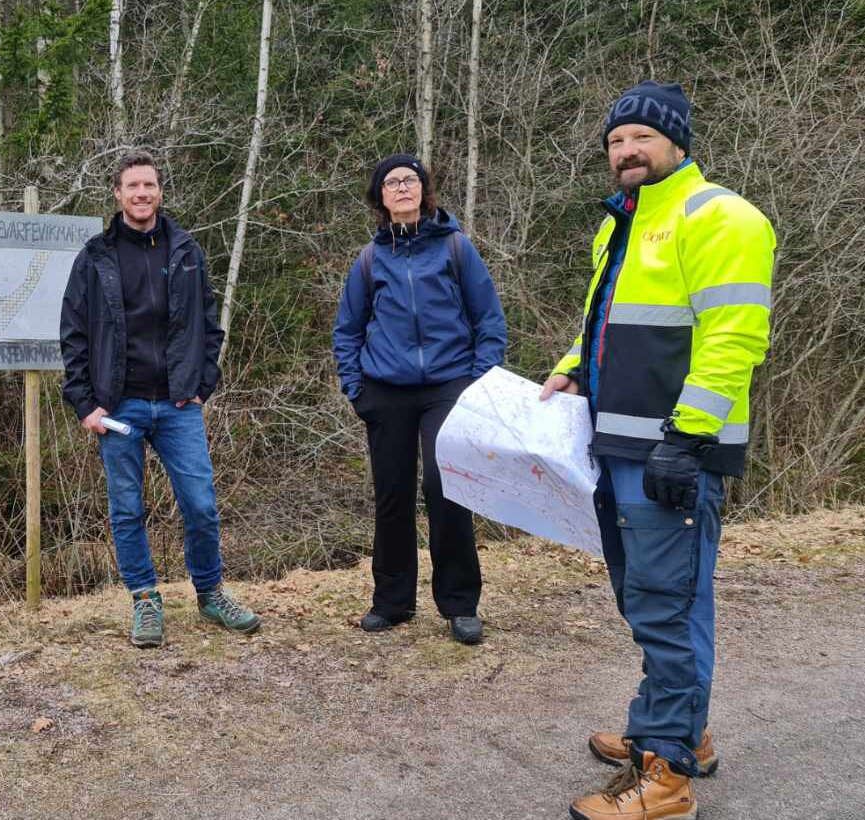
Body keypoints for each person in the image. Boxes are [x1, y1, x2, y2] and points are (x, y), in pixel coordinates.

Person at [539, 82, 774, 820]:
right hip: (618, 445)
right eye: (615, 140)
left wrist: (686, 437)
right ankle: (679, 727)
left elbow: (735, 339)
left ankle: (666, 775)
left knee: (666, 606)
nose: (626, 150)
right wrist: (573, 365)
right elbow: (609, 320)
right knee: (651, 598)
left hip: (672, 452)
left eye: (641, 136)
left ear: (677, 143)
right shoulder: (622, 222)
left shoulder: (720, 216)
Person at [59, 150, 261, 648]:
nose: (141, 193)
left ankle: (210, 594)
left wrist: (202, 384)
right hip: (119, 406)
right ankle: (145, 600)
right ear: (117, 194)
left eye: (149, 185)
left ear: (160, 191)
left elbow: (209, 325)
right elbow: (74, 333)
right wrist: (85, 404)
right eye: (132, 186)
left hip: (177, 404)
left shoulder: (186, 250)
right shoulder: (95, 256)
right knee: (127, 509)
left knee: (201, 505)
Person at [332, 153, 506, 645]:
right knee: (393, 494)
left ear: (424, 191)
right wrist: (355, 387)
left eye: (410, 180)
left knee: (446, 488)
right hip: (385, 390)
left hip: (449, 386)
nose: (402, 188)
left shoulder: (455, 247)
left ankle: (460, 604)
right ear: (381, 198)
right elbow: (347, 330)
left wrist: (477, 384)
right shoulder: (369, 259)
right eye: (392, 183)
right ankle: (392, 602)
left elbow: (489, 321)